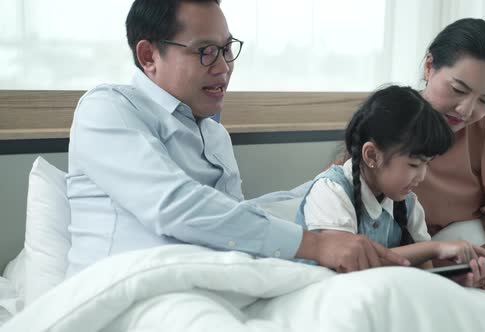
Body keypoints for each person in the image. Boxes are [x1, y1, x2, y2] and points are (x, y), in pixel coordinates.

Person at [65, 0, 409, 277]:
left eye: (227, 48)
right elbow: (176, 206)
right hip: (125, 287)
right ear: (148, 56)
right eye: (205, 52)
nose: (224, 67)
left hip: (207, 282)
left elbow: (235, 219)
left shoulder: (214, 134)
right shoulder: (106, 109)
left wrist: (338, 180)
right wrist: (316, 244)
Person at [296, 85, 485, 287]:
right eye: (414, 164)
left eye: (426, 163)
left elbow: (425, 276)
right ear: (372, 155)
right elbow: (347, 262)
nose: (421, 176)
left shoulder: (408, 203)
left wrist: (454, 282)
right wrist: (434, 248)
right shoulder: (331, 189)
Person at [412, 18, 485, 290]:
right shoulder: (387, 120)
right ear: (429, 67)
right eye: (458, 90)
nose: (466, 110)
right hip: (409, 254)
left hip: (469, 250)